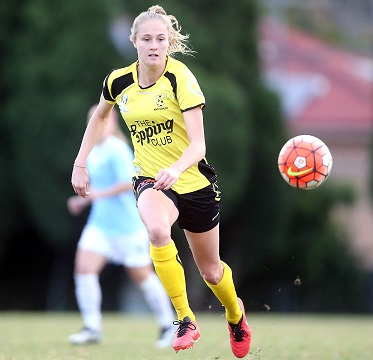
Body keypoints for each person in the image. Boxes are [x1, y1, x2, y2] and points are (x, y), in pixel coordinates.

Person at [71, 5, 252, 358]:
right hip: (150, 180)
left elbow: (199, 145)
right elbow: (99, 118)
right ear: (134, 42)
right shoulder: (117, 80)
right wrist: (80, 163)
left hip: (194, 183)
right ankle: (185, 319)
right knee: (156, 231)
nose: (154, 45)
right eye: (147, 39)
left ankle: (235, 315)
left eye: (161, 39)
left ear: (169, 42)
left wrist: (177, 169)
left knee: (212, 273)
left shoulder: (180, 78)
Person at [67, 104, 176, 349]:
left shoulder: (118, 149)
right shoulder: (93, 152)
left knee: (141, 276)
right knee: (84, 269)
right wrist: (83, 201)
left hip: (128, 226)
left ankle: (169, 325)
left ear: (112, 120)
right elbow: (95, 189)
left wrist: (93, 196)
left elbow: (129, 183)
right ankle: (92, 328)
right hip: (100, 225)